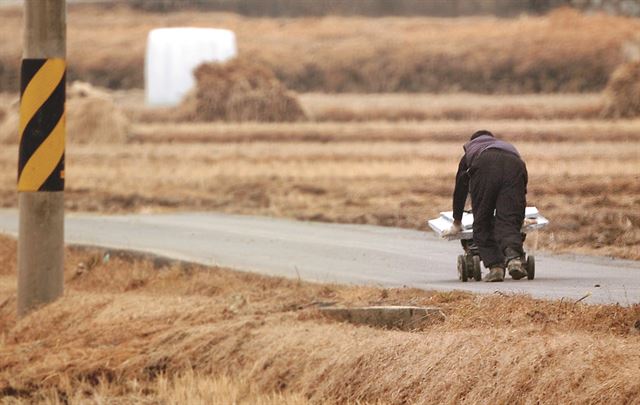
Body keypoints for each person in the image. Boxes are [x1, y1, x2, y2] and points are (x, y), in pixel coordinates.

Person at [444, 130, 528, 282]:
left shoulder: (471, 152)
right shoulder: (506, 147)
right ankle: (514, 259)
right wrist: (519, 215)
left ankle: (495, 267)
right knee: (509, 219)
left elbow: (460, 190)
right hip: (515, 166)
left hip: (485, 166)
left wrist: (457, 221)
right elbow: (522, 192)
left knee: (483, 220)